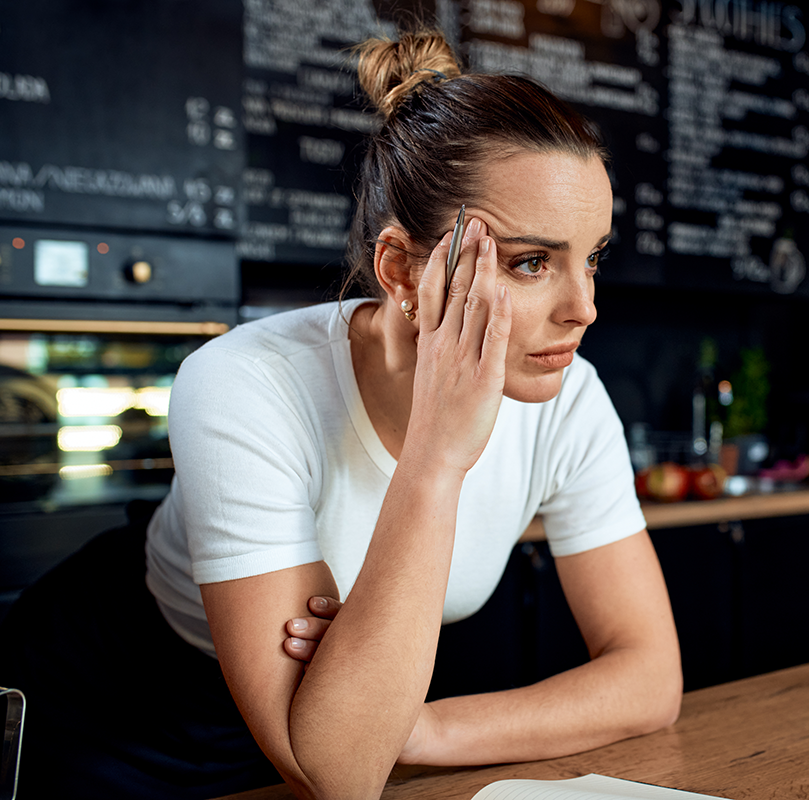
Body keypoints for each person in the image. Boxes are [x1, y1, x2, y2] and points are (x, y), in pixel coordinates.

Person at [0, 27, 681, 800]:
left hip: (351, 720)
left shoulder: (568, 398)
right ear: (399, 269)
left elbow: (651, 678)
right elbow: (339, 770)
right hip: (119, 710)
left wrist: (411, 727)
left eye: (591, 257)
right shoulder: (243, 384)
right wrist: (436, 457)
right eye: (532, 262)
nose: (585, 308)